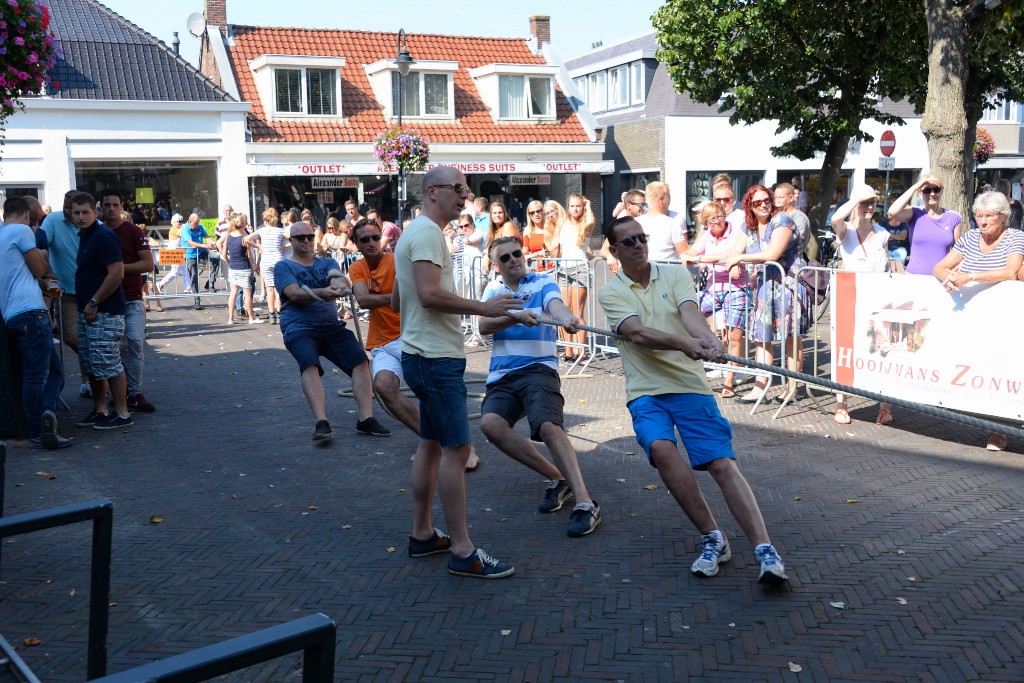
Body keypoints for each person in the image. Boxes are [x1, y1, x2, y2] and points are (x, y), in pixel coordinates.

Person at [599, 216, 788, 585]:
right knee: (661, 449)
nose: (638, 244)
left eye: (642, 237)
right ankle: (713, 537)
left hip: (689, 385)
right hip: (646, 390)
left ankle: (765, 549)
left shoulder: (673, 274)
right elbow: (637, 333)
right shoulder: (612, 292)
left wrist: (708, 340)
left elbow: (690, 315)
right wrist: (687, 344)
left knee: (721, 464)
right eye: (628, 241)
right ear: (615, 250)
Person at [392, 165, 524, 578]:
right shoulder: (429, 233)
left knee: (430, 445)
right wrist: (484, 307)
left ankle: (423, 534)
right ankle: (463, 551)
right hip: (434, 359)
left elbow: (399, 299)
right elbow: (428, 295)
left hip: (420, 353)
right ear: (433, 192)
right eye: (458, 188)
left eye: (466, 189)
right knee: (456, 450)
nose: (465, 195)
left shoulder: (413, 232)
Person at [478, 236, 601, 536]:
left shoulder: (543, 281)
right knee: (491, 426)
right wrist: (514, 317)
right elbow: (483, 325)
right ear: (497, 265)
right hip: (503, 375)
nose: (513, 260)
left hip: (538, 368)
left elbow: (555, 306)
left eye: (516, 254)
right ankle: (559, 479)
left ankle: (585, 503)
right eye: (505, 258)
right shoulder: (494, 290)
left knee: (547, 425)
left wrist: (568, 318)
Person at [350, 218, 482, 472]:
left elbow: (372, 298)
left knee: (432, 391)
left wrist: (389, 298)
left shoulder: (394, 260)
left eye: (375, 238)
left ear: (383, 238)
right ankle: (434, 444)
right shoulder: (357, 268)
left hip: (409, 335)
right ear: (356, 244)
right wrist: (399, 296)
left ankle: (465, 449)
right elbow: (364, 300)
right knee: (384, 388)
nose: (371, 243)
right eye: (364, 239)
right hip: (380, 342)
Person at [273, 221, 389, 441]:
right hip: (299, 328)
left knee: (360, 361)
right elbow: (295, 294)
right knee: (309, 364)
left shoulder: (326, 262)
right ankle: (322, 422)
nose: (306, 240)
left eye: (309, 236)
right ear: (291, 241)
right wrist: (325, 291)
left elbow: (336, 275)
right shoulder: (284, 267)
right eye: (300, 238)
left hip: (331, 327)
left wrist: (337, 284)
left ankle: (366, 420)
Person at [932, 192, 1024, 452]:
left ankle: (999, 431)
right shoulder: (970, 237)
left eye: (988, 216)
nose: (982, 222)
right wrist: (949, 277)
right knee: (976, 368)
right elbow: (939, 267)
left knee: (1001, 370)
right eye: (978, 216)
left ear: (1003, 218)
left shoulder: (1016, 237)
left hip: (1004, 317)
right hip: (971, 318)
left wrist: (970, 275)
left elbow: (1010, 271)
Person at [724, 185, 811, 404]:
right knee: (761, 337)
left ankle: (792, 388)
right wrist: (732, 262)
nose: (763, 205)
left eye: (766, 200)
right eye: (757, 202)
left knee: (792, 339)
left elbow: (773, 254)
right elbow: (734, 251)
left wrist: (740, 259)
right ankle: (759, 388)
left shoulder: (782, 221)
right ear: (749, 206)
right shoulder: (749, 226)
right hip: (764, 287)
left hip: (787, 284)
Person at [0, 197, 72, 449]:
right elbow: (39, 270)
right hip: (31, 312)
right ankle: (38, 431)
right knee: (36, 375)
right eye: (34, 219)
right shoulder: (20, 230)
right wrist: (45, 261)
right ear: (24, 214)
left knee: (54, 372)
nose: (35, 225)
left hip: (11, 315)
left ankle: (46, 418)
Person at [69, 192, 133, 430]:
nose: (81, 217)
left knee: (109, 362)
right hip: (88, 311)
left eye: (85, 212)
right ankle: (101, 410)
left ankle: (123, 413)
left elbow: (117, 273)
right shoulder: (86, 236)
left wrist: (94, 301)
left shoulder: (103, 235)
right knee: (91, 362)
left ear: (95, 213)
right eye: (76, 212)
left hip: (105, 312)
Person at [830, 185, 893, 426]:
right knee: (846, 349)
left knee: (882, 350)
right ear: (856, 204)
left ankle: (885, 406)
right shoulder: (847, 230)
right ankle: (841, 403)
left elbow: (886, 264)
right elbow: (836, 218)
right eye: (864, 203)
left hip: (879, 300)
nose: (868, 207)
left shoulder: (882, 233)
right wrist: (856, 197)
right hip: (851, 298)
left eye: (872, 203)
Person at [681, 201, 748, 399]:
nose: (717, 221)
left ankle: (729, 381)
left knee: (735, 336)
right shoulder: (707, 235)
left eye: (719, 216)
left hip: (736, 287)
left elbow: (731, 253)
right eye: (711, 219)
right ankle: (708, 351)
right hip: (713, 287)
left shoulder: (736, 232)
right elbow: (691, 252)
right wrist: (688, 256)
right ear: (705, 222)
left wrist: (703, 259)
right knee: (689, 317)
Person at [100, 189, 156, 413]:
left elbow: (148, 264)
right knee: (114, 349)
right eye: (107, 205)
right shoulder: (97, 233)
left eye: (115, 204)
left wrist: (118, 269)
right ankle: (120, 394)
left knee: (134, 343)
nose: (111, 209)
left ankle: (135, 393)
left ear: (121, 207)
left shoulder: (133, 231)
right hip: (106, 301)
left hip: (131, 299)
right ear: (100, 208)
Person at [40, 190, 91, 397]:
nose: (71, 213)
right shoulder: (53, 220)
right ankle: (95, 366)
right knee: (71, 336)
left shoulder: (89, 222)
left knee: (91, 336)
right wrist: (44, 267)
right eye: (68, 208)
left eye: (76, 209)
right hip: (66, 292)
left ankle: (88, 381)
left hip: (90, 290)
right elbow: (42, 246)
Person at [887, 173, 963, 275]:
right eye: (927, 190)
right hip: (915, 277)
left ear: (942, 191)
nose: (932, 194)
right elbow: (892, 212)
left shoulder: (954, 217)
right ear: (920, 193)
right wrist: (916, 186)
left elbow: (959, 251)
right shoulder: (914, 213)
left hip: (943, 278)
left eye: (936, 189)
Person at [557, 194, 595, 360]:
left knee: (578, 311)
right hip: (563, 269)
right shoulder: (564, 223)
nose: (575, 209)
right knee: (565, 311)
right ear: (568, 207)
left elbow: (592, 223)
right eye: (572, 206)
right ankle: (568, 350)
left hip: (579, 268)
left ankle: (581, 350)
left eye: (578, 206)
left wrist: (589, 205)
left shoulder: (584, 225)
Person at [218, 213, 265, 325]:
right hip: (244, 268)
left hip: (233, 268)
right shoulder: (244, 238)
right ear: (243, 225)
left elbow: (224, 253)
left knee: (233, 293)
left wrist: (229, 262)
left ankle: (230, 318)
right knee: (247, 294)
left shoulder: (228, 237)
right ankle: (251, 318)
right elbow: (249, 256)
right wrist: (253, 267)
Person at [247, 208, 287, 324]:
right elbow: (291, 238)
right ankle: (279, 313)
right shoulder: (280, 231)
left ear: (266, 220)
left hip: (266, 261)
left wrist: (259, 247)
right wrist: (283, 247)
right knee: (278, 289)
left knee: (269, 289)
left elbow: (247, 239)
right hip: (278, 260)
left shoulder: (262, 231)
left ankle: (271, 314)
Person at [598, 189, 647, 272]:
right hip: (629, 273)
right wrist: (610, 257)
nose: (643, 208)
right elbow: (604, 250)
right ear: (628, 205)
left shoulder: (647, 221)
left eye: (644, 205)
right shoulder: (620, 225)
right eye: (640, 205)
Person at [637, 182, 686, 261]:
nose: (670, 199)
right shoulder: (672, 223)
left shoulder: (636, 222)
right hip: (667, 270)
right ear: (661, 199)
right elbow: (685, 255)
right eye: (668, 196)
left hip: (642, 269)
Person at [773, 182, 811, 262]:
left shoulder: (799, 217)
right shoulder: (778, 215)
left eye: (780, 197)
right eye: (775, 197)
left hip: (792, 266)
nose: (777, 201)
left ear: (791, 198)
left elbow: (796, 241)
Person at [181, 213, 211, 311]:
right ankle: (197, 301)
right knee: (194, 277)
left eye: (198, 223)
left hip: (201, 253)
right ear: (190, 222)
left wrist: (212, 243)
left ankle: (210, 281)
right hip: (191, 255)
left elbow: (207, 237)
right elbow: (191, 243)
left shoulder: (200, 226)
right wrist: (204, 245)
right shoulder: (185, 228)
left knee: (216, 258)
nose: (197, 225)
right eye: (195, 223)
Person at [481, 201, 519, 272]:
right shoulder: (493, 232)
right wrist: (486, 261)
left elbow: (506, 247)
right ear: (491, 216)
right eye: (494, 213)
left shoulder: (508, 226)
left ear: (505, 214)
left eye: (500, 212)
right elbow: (488, 248)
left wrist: (487, 253)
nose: (497, 215)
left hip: (511, 268)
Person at [157, 213, 190, 294]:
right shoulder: (173, 229)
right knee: (175, 271)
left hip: (179, 252)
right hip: (173, 253)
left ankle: (188, 288)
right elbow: (183, 232)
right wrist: (188, 224)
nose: (180, 223)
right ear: (174, 222)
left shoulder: (179, 228)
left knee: (185, 270)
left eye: (182, 221)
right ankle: (161, 283)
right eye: (179, 221)